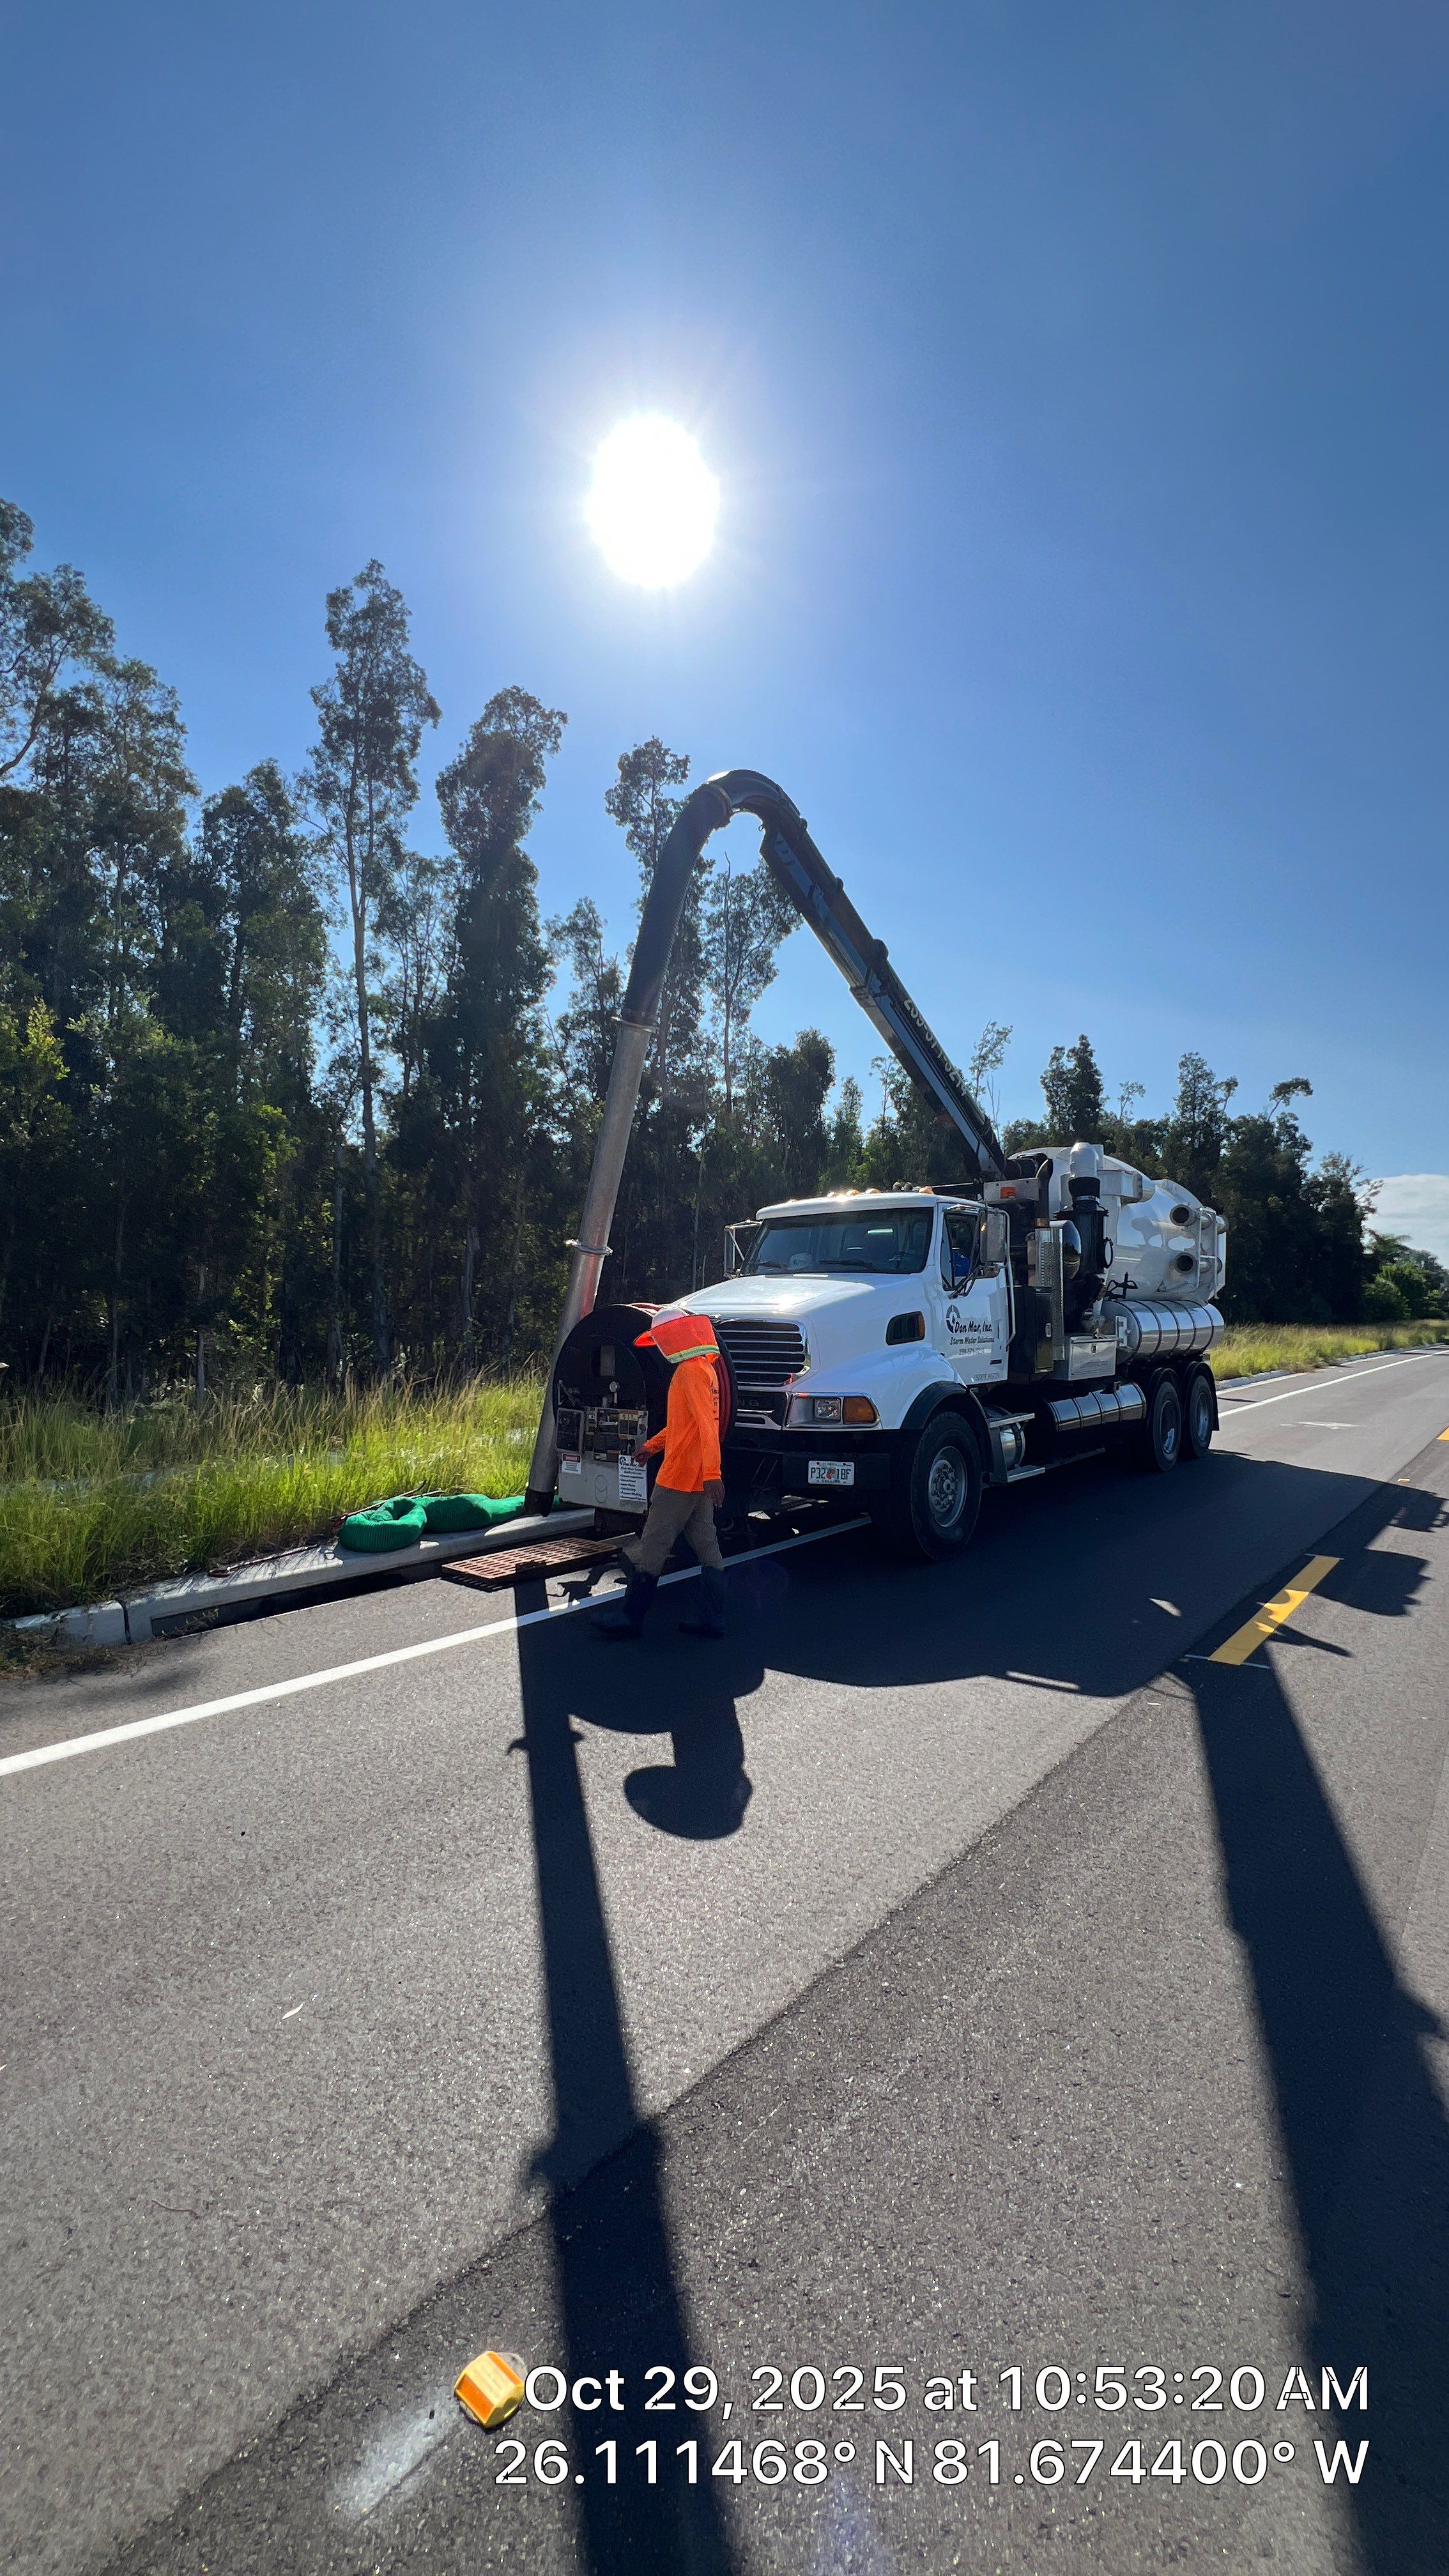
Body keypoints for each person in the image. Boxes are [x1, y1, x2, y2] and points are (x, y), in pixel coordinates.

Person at [595, 1310, 728, 1640]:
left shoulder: (688, 1373)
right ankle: (713, 1619)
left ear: (676, 1338)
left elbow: (706, 1428)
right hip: (696, 1478)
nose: (660, 1349)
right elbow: (686, 1426)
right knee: (707, 1546)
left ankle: (631, 1619)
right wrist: (652, 1447)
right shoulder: (705, 1370)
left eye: (661, 1341)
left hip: (680, 1477)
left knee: (653, 1544)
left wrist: (714, 1473)